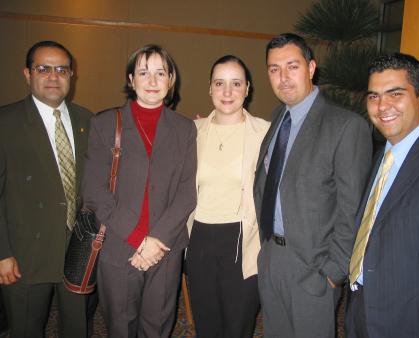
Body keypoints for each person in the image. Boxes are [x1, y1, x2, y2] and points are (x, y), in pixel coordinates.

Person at [253, 33, 372, 337]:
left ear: (311, 67)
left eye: (292, 66)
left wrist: (333, 272)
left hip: (314, 268)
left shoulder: (345, 126)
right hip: (271, 260)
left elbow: (353, 210)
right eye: (273, 69)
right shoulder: (278, 116)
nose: (282, 77)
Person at [82, 44, 197, 338]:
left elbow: (187, 192)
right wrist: (137, 239)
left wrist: (156, 241)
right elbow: (94, 191)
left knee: (158, 326)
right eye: (143, 72)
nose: (152, 81)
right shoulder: (105, 123)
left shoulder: (185, 129)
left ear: (171, 80)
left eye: (161, 73)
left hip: (165, 248)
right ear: (131, 80)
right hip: (119, 245)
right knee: (121, 326)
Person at [346, 53, 419, 338]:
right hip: (361, 311)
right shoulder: (381, 156)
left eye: (395, 94)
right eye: (374, 96)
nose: (382, 106)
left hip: (412, 323)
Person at [0, 40, 92, 337]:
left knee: (78, 328)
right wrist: (2, 253)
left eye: (61, 69)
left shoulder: (87, 120)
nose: (53, 76)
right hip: (24, 255)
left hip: (77, 251)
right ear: (27, 74)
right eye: (43, 68)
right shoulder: (5, 122)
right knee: (25, 329)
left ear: (71, 75)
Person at [185, 55, 269, 338]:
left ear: (248, 88)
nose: (227, 92)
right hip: (198, 240)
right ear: (209, 88)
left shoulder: (266, 133)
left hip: (243, 242)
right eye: (219, 83)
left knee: (238, 327)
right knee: (206, 326)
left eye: (236, 83)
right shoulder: (191, 133)